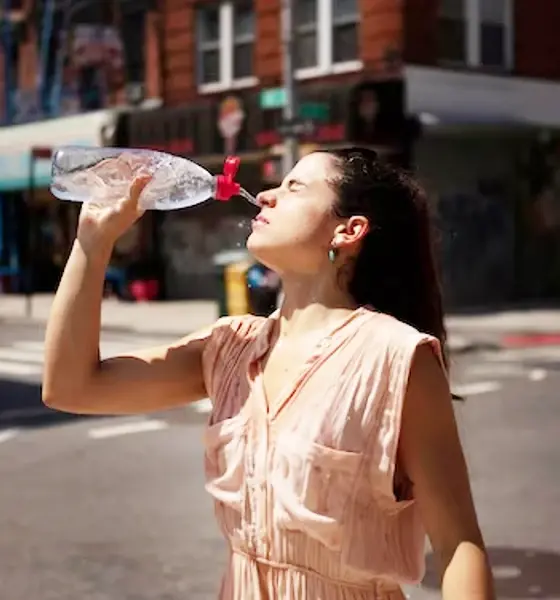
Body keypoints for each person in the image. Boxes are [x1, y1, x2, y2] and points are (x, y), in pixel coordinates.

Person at [43, 147, 495, 600]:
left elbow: (459, 545)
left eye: (293, 187)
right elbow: (71, 387)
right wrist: (93, 242)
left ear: (348, 230)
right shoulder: (229, 347)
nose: (264, 196)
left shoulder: (396, 357)